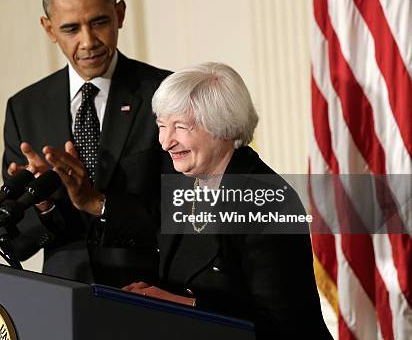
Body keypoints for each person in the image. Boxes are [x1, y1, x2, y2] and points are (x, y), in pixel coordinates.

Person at [123, 62, 332, 338]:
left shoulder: (268, 202)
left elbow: (280, 325)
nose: (165, 141)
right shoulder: (184, 186)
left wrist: (177, 303)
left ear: (222, 127)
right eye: (162, 126)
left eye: (180, 127)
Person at [2, 0, 173, 287]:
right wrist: (42, 202)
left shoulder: (166, 95)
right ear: (49, 29)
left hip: (148, 295)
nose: (88, 40)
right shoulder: (24, 108)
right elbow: (18, 243)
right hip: (65, 298)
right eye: (71, 29)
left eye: (99, 22)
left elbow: (187, 216)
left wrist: (99, 203)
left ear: (120, 14)